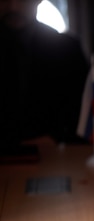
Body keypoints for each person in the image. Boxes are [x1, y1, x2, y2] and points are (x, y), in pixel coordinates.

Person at [0, 0, 89, 148]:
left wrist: (58, 138)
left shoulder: (67, 48)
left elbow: (83, 115)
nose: (13, 7)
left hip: (53, 157)